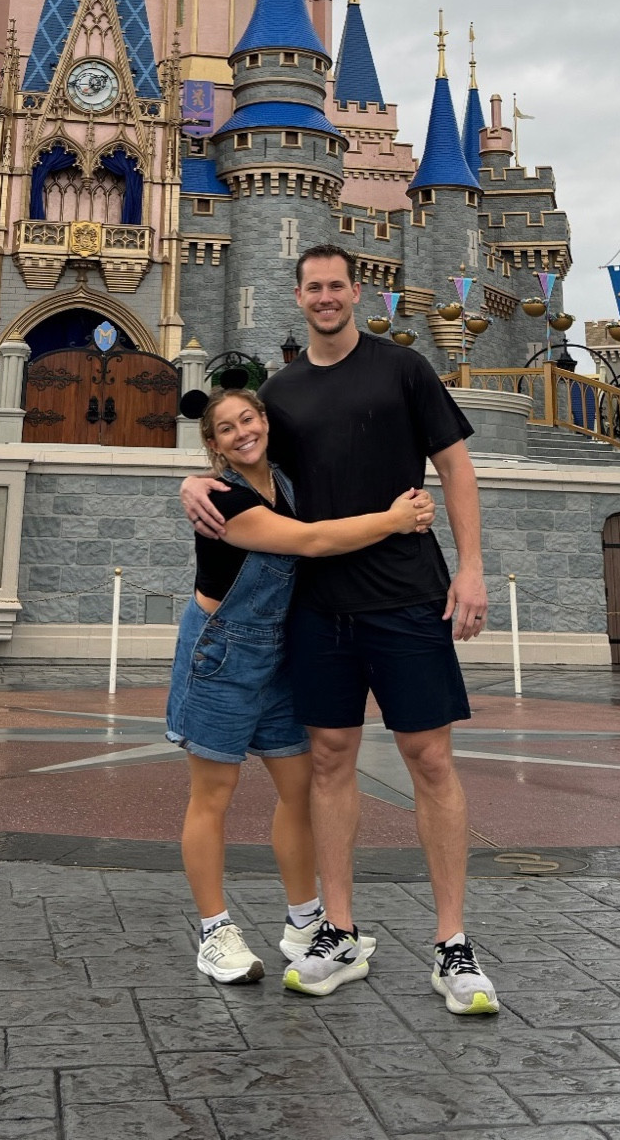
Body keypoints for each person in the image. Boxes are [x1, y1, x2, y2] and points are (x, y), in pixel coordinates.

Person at [180, 245, 499, 1013]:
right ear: (298, 297)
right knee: (327, 758)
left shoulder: (405, 369)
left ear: (358, 290)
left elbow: (456, 467)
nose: (325, 297)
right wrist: (192, 480)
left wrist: (471, 568)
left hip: (406, 595)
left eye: (336, 285)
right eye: (313, 288)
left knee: (430, 758)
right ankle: (340, 932)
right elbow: (246, 466)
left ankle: (452, 944)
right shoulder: (280, 393)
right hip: (318, 607)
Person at [167, 383, 436, 990]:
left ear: (265, 420)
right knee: (213, 794)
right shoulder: (224, 500)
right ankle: (214, 931)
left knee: (299, 789)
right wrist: (395, 520)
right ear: (213, 445)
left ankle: (305, 920)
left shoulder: (285, 481)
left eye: (248, 419)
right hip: (222, 652)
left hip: (280, 653)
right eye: (227, 428)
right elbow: (312, 541)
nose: (242, 433)